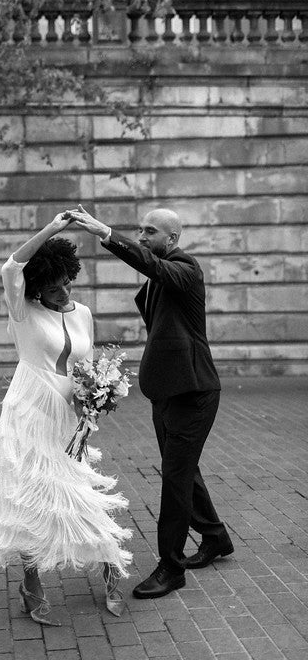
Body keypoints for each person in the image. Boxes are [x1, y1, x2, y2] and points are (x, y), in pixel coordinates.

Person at [0, 212, 132, 624]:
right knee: (32, 496)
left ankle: (110, 571)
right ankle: (31, 585)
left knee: (80, 492)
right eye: (52, 287)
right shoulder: (23, 311)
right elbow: (11, 267)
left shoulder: (83, 313)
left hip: (67, 418)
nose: (63, 291)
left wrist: (96, 399)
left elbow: (85, 369)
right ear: (36, 288)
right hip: (30, 411)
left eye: (67, 281)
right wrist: (53, 229)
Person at [66, 204, 233, 599]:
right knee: (181, 470)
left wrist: (107, 234)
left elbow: (152, 267)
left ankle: (171, 567)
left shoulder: (185, 268)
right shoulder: (162, 272)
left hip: (194, 393)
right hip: (167, 391)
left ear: (171, 240)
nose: (142, 236)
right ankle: (214, 537)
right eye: (139, 230)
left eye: (150, 231)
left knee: (175, 478)